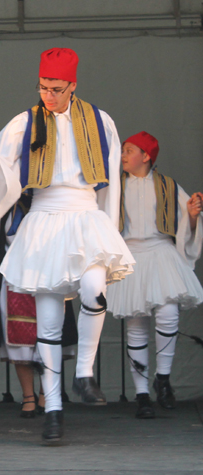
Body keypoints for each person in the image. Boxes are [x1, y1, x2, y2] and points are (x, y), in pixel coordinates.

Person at [0, 47, 135, 443]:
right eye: (43, 88)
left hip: (85, 215)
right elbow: (1, 177)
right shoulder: (24, 122)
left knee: (95, 288)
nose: (49, 95)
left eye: (57, 89)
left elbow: (110, 180)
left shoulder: (100, 121)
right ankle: (54, 410)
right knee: (48, 321)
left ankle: (84, 374)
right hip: (43, 218)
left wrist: (109, 229)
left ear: (73, 86)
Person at [108, 131, 203, 419]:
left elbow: (185, 223)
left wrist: (193, 214)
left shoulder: (168, 186)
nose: (123, 155)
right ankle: (141, 395)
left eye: (129, 150)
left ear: (146, 156)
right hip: (130, 256)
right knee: (136, 323)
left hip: (161, 252)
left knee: (169, 312)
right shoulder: (113, 187)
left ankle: (163, 379)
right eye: (122, 150)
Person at [0, 215, 78, 418]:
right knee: (18, 336)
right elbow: (0, 245)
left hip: (47, 273)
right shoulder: (9, 209)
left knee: (50, 333)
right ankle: (28, 396)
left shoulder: (51, 208)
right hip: (15, 276)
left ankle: (47, 393)